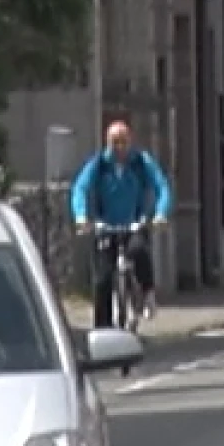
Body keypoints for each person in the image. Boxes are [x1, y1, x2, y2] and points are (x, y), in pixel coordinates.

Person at [70, 121, 172, 328]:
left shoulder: (140, 162)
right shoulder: (99, 164)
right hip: (106, 226)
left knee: (138, 250)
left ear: (130, 141)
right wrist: (81, 216)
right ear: (107, 143)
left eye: (124, 142)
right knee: (102, 279)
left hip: (134, 224)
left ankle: (147, 292)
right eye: (115, 142)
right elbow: (80, 188)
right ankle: (103, 329)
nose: (120, 148)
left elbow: (161, 186)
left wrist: (160, 214)